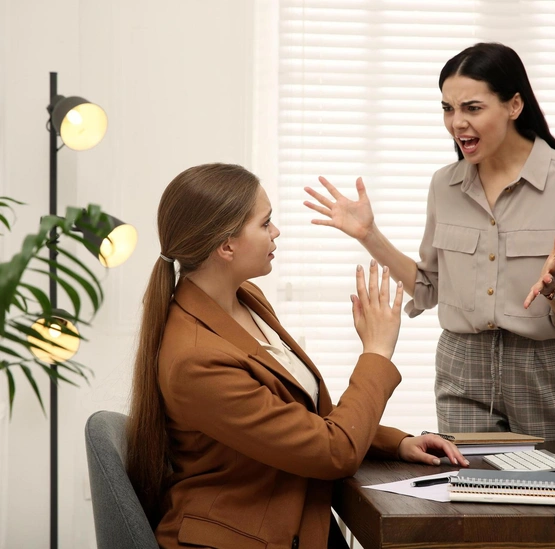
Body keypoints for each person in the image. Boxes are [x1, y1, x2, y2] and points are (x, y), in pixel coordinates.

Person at [125, 163, 468, 549]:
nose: (276, 231)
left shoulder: (246, 299)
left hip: (297, 514)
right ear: (226, 246)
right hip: (243, 537)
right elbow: (332, 452)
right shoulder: (196, 360)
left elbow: (300, 419)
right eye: (265, 223)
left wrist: (396, 443)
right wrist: (376, 351)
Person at [304, 42, 555, 441]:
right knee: (466, 478)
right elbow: (429, 287)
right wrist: (369, 236)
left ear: (514, 105)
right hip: (463, 363)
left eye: (472, 108)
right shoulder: (444, 185)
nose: (457, 122)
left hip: (547, 366)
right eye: (448, 108)